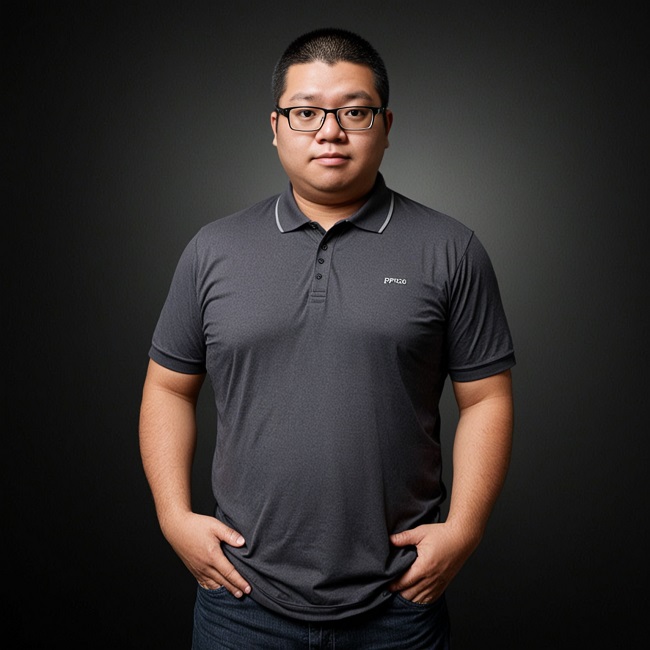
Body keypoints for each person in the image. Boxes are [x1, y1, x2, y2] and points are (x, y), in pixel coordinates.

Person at [139, 27, 515, 649]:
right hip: (241, 600)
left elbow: (486, 399)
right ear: (276, 126)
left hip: (398, 603)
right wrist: (173, 517)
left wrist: (464, 529)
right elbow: (167, 389)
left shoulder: (451, 249)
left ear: (385, 125)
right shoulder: (213, 250)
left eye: (354, 112)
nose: (329, 131)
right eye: (306, 111)